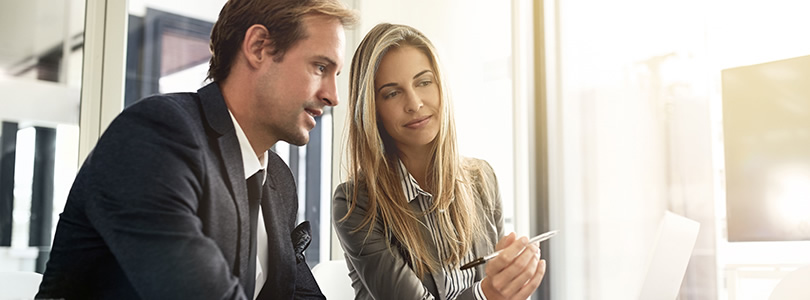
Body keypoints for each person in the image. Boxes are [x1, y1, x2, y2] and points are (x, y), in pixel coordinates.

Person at [36, 0, 356, 299]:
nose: (333, 96)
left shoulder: (279, 181)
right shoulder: (156, 135)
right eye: (319, 68)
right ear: (259, 47)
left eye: (335, 74)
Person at [332, 23, 546, 300]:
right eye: (392, 93)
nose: (415, 103)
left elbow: (496, 282)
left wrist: (512, 277)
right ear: (372, 109)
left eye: (423, 82)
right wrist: (488, 293)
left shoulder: (482, 178)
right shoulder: (356, 202)